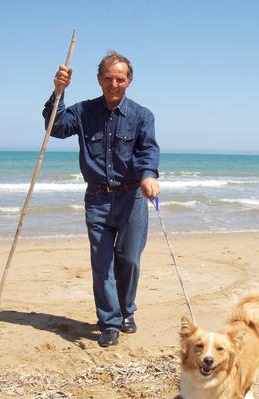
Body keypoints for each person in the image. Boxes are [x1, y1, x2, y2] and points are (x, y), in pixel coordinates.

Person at [42, 51, 161, 348]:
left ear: (129, 81)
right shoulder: (84, 111)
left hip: (132, 197)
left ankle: (126, 311)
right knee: (102, 263)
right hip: (97, 198)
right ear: (99, 79)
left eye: (120, 79)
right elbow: (56, 128)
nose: (113, 84)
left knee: (129, 260)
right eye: (108, 78)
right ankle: (109, 323)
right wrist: (58, 92)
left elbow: (148, 150)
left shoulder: (143, 116)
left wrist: (148, 175)